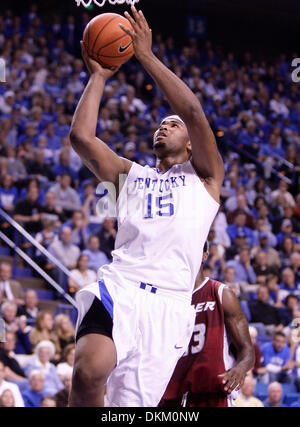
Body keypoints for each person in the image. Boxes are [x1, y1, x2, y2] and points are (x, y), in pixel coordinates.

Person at [69, 6, 224, 407]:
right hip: (121, 286)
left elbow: (192, 110)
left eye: (173, 124)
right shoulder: (129, 176)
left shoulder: (206, 178)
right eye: (160, 123)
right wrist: (99, 76)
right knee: (89, 371)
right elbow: (83, 138)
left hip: (169, 306)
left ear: (191, 143)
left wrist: (146, 57)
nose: (164, 125)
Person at [159, 242, 254, 407]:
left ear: (204, 256)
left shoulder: (221, 293)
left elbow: (247, 349)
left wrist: (240, 368)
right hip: (174, 394)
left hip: (212, 392)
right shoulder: (168, 299)